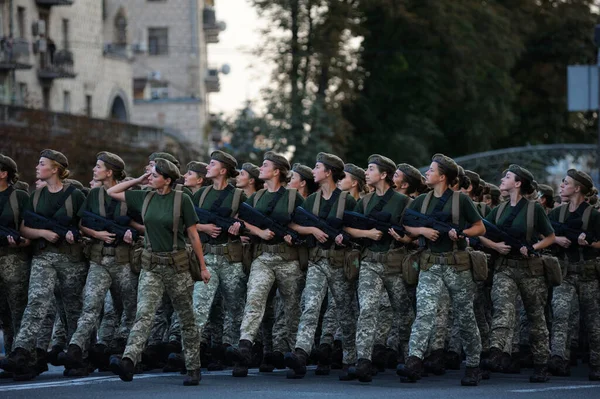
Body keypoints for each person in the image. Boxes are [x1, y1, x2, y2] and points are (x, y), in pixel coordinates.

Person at [106, 158, 210, 386]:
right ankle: (128, 361)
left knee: (186, 318)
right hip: (151, 266)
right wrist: (139, 180)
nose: (150, 177)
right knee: (144, 314)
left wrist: (202, 267)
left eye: (154, 175)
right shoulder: (146, 195)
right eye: (150, 175)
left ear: (168, 179)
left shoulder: (182, 199)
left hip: (177, 266)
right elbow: (112, 191)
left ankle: (193, 367)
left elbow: (193, 235)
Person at [397, 153, 485, 386]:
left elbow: (480, 228)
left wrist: (463, 234)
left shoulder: (461, 200)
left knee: (465, 316)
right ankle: (414, 360)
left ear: (443, 176)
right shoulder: (422, 201)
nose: (427, 173)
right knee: (424, 314)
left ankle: (474, 365)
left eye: (431, 170)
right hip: (431, 264)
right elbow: (406, 224)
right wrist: (423, 232)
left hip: (457, 265)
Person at [1, 150, 87, 381]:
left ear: (55, 168)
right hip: (43, 255)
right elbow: (25, 228)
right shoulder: (35, 197)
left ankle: (79, 356)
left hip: (71, 259)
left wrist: (75, 234)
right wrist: (44, 233)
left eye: (42, 164)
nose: (37, 167)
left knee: (72, 309)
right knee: (36, 301)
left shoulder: (75, 195)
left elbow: (86, 225)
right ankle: (21, 352)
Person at [60, 152, 138, 376]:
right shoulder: (94, 194)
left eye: (98, 166)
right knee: (90, 305)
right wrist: (98, 233)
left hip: (124, 260)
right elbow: (83, 223)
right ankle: (76, 348)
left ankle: (123, 350)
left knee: (128, 307)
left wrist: (132, 234)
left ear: (110, 172)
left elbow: (140, 224)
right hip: (99, 259)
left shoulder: (129, 194)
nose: (94, 170)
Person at [227, 151, 304, 378]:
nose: (261, 168)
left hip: (288, 260)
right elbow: (240, 219)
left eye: (265, 165)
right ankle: (244, 349)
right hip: (262, 257)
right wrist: (258, 231)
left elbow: (305, 223)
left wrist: (292, 235)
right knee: (254, 302)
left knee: (291, 309)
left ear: (277, 171)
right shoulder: (256, 197)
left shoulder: (292, 197)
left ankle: (294, 355)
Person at [479, 165, 555, 383]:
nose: (503, 179)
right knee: (502, 309)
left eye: (508, 177)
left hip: (530, 269)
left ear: (518, 183)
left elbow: (550, 237)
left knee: (535, 317)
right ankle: (495, 351)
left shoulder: (534, 209)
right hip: (505, 268)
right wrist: (495, 246)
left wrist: (534, 248)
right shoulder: (500, 210)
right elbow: (480, 229)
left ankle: (542, 363)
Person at [284, 153, 358, 379]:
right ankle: (301, 354)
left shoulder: (347, 200)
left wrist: (343, 236)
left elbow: (356, 230)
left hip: (338, 261)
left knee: (344, 311)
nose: (313, 171)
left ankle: (350, 359)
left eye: (317, 168)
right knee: (310, 307)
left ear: (328, 173)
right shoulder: (311, 201)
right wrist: (313, 231)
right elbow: (295, 224)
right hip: (317, 260)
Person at [342, 154, 414, 382]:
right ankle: (363, 359)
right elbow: (349, 228)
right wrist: (368, 234)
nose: (366, 172)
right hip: (370, 261)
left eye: (371, 168)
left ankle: (409, 358)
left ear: (384, 175)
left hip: (394, 262)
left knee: (403, 312)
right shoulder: (364, 201)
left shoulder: (403, 202)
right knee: (368, 310)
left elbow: (416, 232)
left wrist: (404, 239)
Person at [191, 151, 247, 371]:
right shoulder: (201, 195)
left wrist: (238, 226)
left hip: (231, 258)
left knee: (235, 309)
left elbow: (247, 221)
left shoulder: (238, 195)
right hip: (207, 258)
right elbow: (188, 222)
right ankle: (192, 358)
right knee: (199, 307)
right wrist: (204, 227)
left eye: (212, 164)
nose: (208, 166)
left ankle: (235, 355)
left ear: (223, 170)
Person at [548, 170, 600, 381]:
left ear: (577, 188)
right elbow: (545, 234)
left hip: (588, 273)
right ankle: (559, 358)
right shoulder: (557, 214)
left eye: (566, 182)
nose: (562, 185)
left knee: (593, 321)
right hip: (565, 272)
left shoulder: (594, 216)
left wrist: (589, 243)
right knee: (560, 314)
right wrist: (557, 240)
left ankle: (597, 363)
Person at [0, 155, 31, 378]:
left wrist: (22, 239)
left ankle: (24, 359)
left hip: (14, 259)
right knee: (3, 315)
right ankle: (11, 357)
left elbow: (29, 227)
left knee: (18, 311)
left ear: (4, 174)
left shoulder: (19, 196)